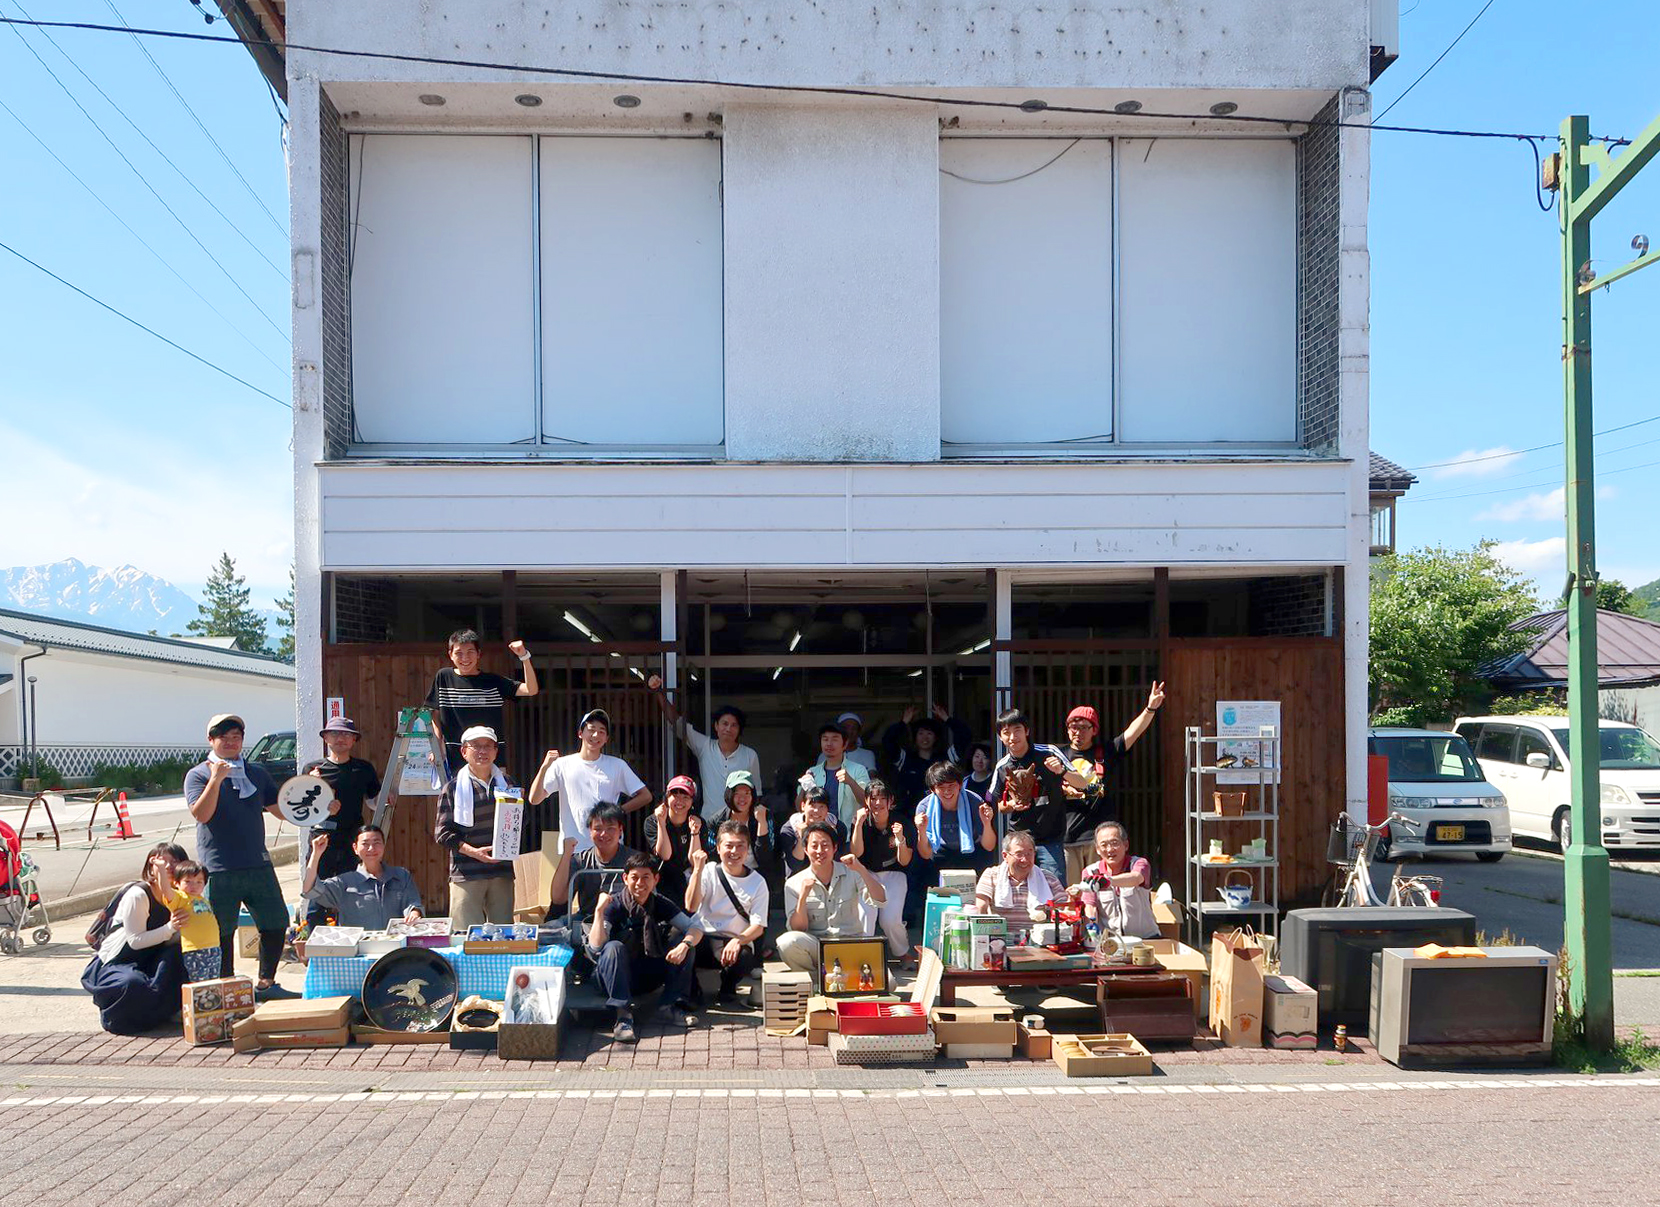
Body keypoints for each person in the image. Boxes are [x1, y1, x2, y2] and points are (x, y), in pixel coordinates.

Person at [183, 713, 294, 1000]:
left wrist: (317, 799)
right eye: (224, 737)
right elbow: (202, 814)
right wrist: (216, 780)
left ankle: (266, 984)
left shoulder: (256, 772)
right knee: (221, 930)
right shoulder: (198, 774)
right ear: (211, 740)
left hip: (257, 861)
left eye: (237, 737)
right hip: (219, 867)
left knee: (276, 922)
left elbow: (281, 809)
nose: (231, 742)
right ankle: (227, 988)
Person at [589, 852, 704, 1043]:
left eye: (646, 877)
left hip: (645, 973)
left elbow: (695, 928)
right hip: (611, 977)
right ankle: (623, 1016)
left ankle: (668, 1007)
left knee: (686, 943)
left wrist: (685, 945)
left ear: (655, 879)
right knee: (614, 947)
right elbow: (596, 945)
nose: (640, 883)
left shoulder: (660, 903)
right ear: (625, 878)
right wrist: (599, 912)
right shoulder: (614, 905)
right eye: (634, 877)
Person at [81, 842, 190, 1034]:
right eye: (166, 861)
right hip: (120, 961)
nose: (171, 867)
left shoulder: (181, 897)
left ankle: (171, 1011)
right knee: (132, 984)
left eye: (178, 862)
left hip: (154, 956)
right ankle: (120, 1018)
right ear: (152, 864)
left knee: (182, 957)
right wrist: (170, 927)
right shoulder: (138, 895)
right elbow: (135, 941)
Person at [1058, 684, 1165, 859]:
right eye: (1073, 727)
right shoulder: (1058, 754)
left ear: (1094, 730)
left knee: (1100, 885)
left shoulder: (1106, 751)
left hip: (1100, 839)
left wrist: (1150, 708)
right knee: (1070, 887)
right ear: (1068, 730)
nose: (1078, 732)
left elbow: (1133, 732)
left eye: (1084, 727)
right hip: (1067, 837)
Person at [986, 707, 1091, 879]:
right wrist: (1011, 805)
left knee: (1053, 890)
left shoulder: (1049, 752)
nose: (1013, 737)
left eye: (1017, 730)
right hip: (1018, 839)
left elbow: (1082, 783)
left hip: (1051, 839)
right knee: (1018, 889)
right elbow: (995, 805)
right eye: (1006, 732)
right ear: (1000, 737)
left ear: (1026, 731)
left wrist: (1061, 770)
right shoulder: (1002, 766)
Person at [531, 708, 652, 850]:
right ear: (580, 733)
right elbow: (535, 799)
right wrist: (544, 767)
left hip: (609, 849)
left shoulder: (617, 765)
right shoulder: (562, 764)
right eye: (591, 729)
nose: (596, 735)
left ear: (606, 738)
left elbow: (646, 796)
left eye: (602, 731)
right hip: (573, 850)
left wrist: (618, 811)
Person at [433, 726, 518, 927]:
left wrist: (519, 806)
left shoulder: (508, 784)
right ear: (464, 751)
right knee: (465, 935)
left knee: (503, 934)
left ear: (496, 751)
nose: (482, 751)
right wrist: (474, 853)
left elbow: (521, 825)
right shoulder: (453, 788)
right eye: (476, 746)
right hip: (466, 873)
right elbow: (442, 833)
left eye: (488, 746)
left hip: (501, 870)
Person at [645, 674, 763, 819]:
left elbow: (757, 794)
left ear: (739, 730)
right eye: (724, 723)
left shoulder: (750, 755)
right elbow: (677, 723)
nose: (728, 729)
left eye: (734, 725)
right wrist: (659, 692)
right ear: (716, 726)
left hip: (740, 824)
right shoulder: (705, 747)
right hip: (709, 821)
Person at [424, 628, 539, 774]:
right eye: (459, 653)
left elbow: (531, 689)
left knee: (494, 796)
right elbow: (434, 713)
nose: (465, 658)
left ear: (478, 654)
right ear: (450, 655)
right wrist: (437, 745)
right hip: (456, 756)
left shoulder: (493, 681)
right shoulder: (443, 677)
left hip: (491, 757)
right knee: (456, 796)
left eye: (470, 652)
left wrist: (524, 657)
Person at [778, 823, 885, 974]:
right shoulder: (794, 883)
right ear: (806, 850)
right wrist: (803, 897)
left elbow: (880, 900)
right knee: (787, 942)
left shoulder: (852, 872)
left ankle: (841, 978)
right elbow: (798, 929)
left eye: (825, 845)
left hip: (850, 946)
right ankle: (816, 981)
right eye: (814, 846)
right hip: (818, 948)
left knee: (889, 983)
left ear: (834, 848)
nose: (820, 851)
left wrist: (861, 869)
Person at [685, 820, 769, 1008]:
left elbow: (758, 926)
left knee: (745, 957)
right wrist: (697, 870)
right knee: (680, 941)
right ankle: (692, 991)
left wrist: (738, 940)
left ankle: (728, 987)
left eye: (740, 846)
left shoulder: (758, 882)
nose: (734, 852)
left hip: (733, 942)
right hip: (704, 938)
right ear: (718, 846)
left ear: (747, 849)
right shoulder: (708, 871)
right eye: (729, 846)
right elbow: (691, 906)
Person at [299, 715, 382, 881]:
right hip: (321, 838)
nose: (341, 738)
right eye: (335, 733)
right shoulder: (312, 769)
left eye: (346, 735)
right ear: (325, 737)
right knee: (317, 893)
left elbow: (373, 802)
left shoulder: (363, 768)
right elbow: (301, 809)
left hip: (352, 839)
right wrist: (311, 784)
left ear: (353, 740)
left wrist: (387, 798)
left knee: (351, 892)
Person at [301, 825, 423, 930]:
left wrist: (414, 912)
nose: (371, 849)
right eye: (365, 844)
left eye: (376, 843)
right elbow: (309, 889)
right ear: (355, 848)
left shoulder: (401, 876)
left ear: (384, 846)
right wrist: (316, 854)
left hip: (395, 945)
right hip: (358, 949)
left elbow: (413, 903)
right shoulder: (345, 882)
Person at [849, 779, 916, 965]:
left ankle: (902, 953)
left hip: (894, 874)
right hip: (867, 872)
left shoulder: (901, 822)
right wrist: (858, 825)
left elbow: (905, 860)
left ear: (890, 801)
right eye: (873, 798)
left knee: (890, 919)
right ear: (866, 800)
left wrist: (900, 839)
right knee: (866, 914)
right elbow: (856, 854)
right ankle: (864, 958)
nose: (877, 803)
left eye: (882, 798)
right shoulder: (861, 821)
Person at [548, 802, 639, 921]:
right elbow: (558, 899)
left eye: (610, 829)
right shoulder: (580, 860)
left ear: (620, 830)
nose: (603, 834)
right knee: (554, 924)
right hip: (587, 921)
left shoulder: (635, 860)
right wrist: (566, 855)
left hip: (624, 922)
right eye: (598, 829)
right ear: (590, 831)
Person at [1070, 821, 1158, 938]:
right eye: (1104, 845)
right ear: (1097, 849)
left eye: (1114, 843)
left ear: (1126, 845)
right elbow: (1090, 905)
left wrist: (1107, 881)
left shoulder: (1139, 863)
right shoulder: (1090, 872)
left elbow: (1136, 878)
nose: (1110, 849)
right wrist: (1092, 929)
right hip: (1111, 943)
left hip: (1146, 939)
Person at [974, 830, 1067, 938]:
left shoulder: (1048, 878)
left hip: (1038, 941)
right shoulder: (991, 875)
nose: (1025, 860)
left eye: (1029, 854)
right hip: (1000, 941)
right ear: (1005, 855)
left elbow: (1064, 908)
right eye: (1019, 854)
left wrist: (1072, 900)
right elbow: (980, 905)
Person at [913, 761, 998, 875]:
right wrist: (921, 831)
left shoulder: (974, 801)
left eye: (951, 785)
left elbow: (989, 846)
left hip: (970, 851)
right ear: (933, 789)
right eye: (941, 787)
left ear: (960, 785)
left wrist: (987, 823)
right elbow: (926, 854)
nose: (947, 791)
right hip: (939, 852)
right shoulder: (925, 807)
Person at [881, 704, 973, 808]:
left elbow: (965, 736)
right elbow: (888, 741)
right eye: (920, 733)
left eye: (929, 733)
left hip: (941, 812)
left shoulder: (946, 759)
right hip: (911, 815)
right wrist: (903, 723)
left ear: (936, 738)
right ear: (915, 738)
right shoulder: (905, 759)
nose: (925, 738)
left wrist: (947, 719)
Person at [642, 775, 708, 903]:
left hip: (689, 879)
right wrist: (661, 823)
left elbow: (695, 861)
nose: (680, 801)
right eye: (675, 796)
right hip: (662, 879)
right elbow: (665, 855)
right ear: (667, 797)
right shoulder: (652, 821)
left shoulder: (699, 822)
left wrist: (695, 832)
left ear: (692, 801)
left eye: (685, 797)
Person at [164, 860, 222, 984]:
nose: (194, 886)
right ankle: (198, 1004)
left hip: (214, 948)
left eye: (199, 882)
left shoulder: (203, 899)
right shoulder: (181, 898)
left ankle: (212, 1004)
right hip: (195, 950)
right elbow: (166, 891)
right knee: (199, 986)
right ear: (177, 883)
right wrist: (160, 870)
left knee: (214, 984)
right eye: (188, 881)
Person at [705, 769, 771, 872]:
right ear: (729, 794)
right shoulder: (715, 821)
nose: (742, 798)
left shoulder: (765, 816)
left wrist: (762, 823)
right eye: (737, 793)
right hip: (727, 875)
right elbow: (712, 856)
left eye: (747, 793)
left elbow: (766, 857)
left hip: (759, 875)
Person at [805, 722, 869, 826]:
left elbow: (867, 802)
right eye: (825, 739)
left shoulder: (858, 770)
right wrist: (805, 786)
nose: (829, 743)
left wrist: (851, 782)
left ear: (845, 744)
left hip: (849, 836)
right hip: (819, 837)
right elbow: (800, 807)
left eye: (834, 739)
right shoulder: (812, 772)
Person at [779, 785, 846, 877]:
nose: (816, 811)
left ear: (827, 809)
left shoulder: (838, 827)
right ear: (803, 806)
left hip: (830, 877)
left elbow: (837, 860)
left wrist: (831, 835)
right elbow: (795, 865)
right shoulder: (789, 829)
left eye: (821, 806)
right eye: (812, 805)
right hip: (799, 880)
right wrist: (800, 838)